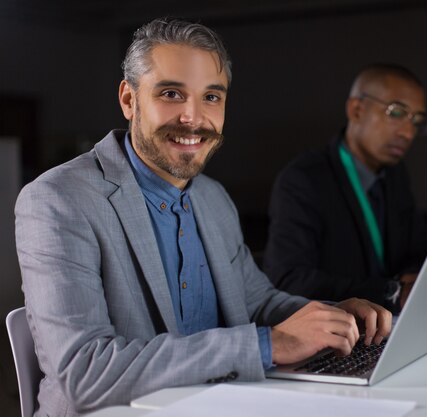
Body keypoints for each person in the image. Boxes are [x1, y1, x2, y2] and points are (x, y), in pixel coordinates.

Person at [14, 18, 391, 417]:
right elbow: (85, 372)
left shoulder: (212, 197)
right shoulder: (58, 199)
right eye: (172, 93)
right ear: (129, 99)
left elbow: (257, 302)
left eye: (212, 97)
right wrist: (266, 345)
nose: (193, 118)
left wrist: (329, 316)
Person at [263, 64, 427, 313]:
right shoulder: (304, 179)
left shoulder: (395, 175)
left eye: (416, 121)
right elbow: (289, 280)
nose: (408, 133)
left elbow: (416, 251)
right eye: (396, 113)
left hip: (393, 325)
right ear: (356, 109)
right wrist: (390, 292)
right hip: (339, 333)